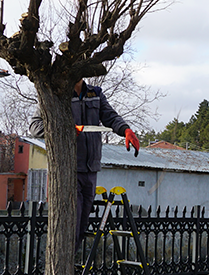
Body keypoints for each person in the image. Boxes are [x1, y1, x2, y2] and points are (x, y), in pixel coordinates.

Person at [30, 78, 140, 250]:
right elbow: (36, 127)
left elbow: (110, 117)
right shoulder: (55, 94)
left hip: (91, 168)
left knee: (81, 228)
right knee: (70, 227)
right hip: (68, 170)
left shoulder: (95, 94)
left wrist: (125, 129)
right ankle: (58, 274)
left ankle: (70, 272)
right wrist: (65, 129)